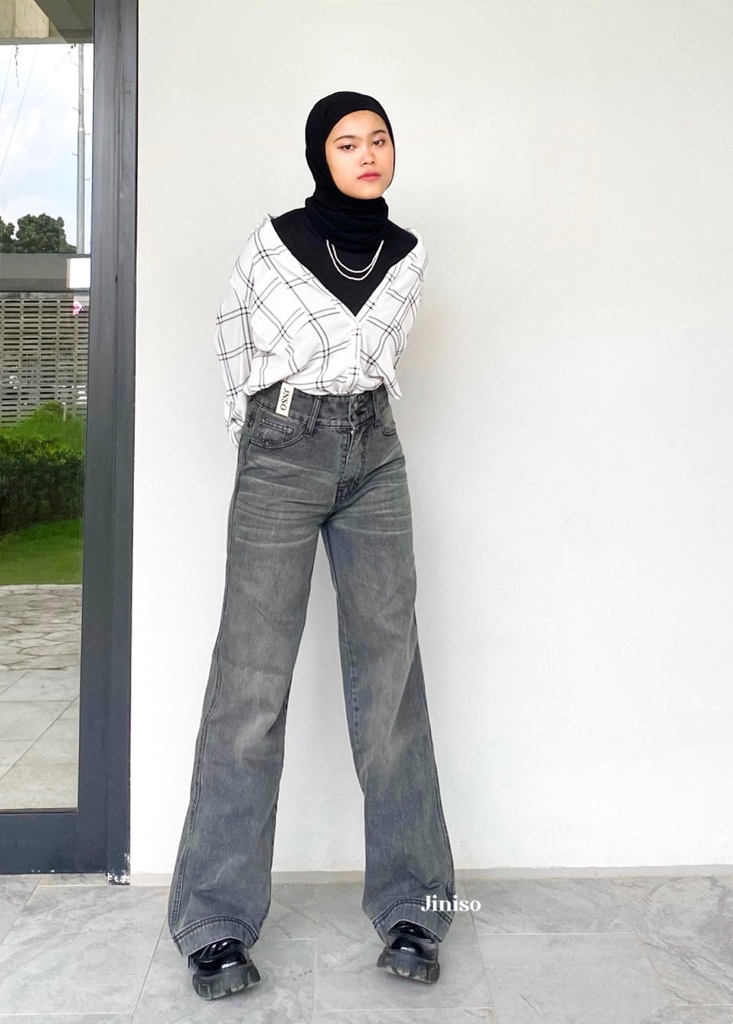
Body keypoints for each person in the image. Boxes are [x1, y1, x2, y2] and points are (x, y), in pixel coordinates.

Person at [166, 90, 455, 1001]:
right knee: (250, 684)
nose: (367, 153)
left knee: (391, 680)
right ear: (318, 156)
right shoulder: (275, 242)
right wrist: (262, 439)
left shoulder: (408, 255)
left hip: (376, 454)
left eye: (379, 139)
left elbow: (381, 359)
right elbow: (232, 338)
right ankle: (214, 921)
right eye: (347, 142)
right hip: (282, 449)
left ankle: (416, 906)